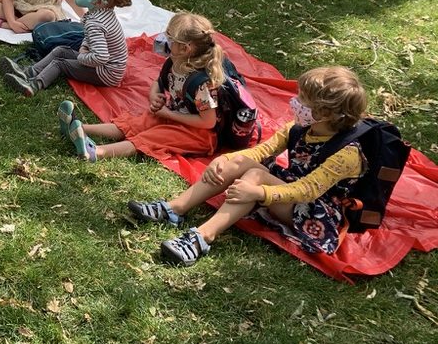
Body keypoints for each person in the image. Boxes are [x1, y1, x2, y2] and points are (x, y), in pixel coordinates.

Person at [127, 66, 371, 266]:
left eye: (303, 100)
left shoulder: (347, 154)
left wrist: (259, 192)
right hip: (289, 188)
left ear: (325, 113)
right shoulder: (300, 128)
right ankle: (173, 208)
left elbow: (308, 191)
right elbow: (260, 151)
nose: (295, 102)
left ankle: (202, 237)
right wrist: (224, 160)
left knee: (256, 175)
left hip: (316, 210)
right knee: (245, 162)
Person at [62, 12, 223, 161]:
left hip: (199, 134)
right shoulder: (174, 63)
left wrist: (169, 115)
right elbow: (158, 83)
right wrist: (155, 96)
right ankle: (80, 129)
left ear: (185, 48)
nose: (163, 40)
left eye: (169, 38)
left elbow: (208, 122)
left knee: (154, 137)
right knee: (137, 122)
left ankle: (96, 152)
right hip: (175, 115)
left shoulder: (202, 85)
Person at [0, 0, 131, 97]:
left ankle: (34, 85)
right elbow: (91, 37)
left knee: (60, 63)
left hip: (106, 73)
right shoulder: (102, 12)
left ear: (97, 2)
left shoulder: (95, 24)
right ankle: (29, 72)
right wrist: (85, 46)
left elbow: (101, 57)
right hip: (105, 65)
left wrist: (81, 57)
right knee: (61, 50)